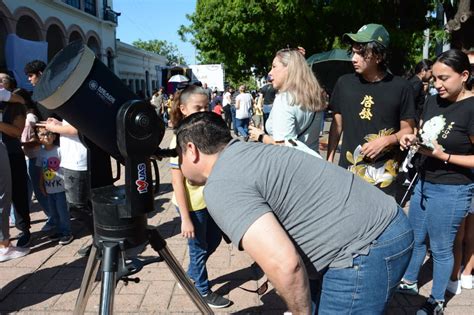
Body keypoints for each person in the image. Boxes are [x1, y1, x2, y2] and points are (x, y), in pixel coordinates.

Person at [175, 111, 413, 314]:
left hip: (366, 247)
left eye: (179, 156)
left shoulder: (220, 183)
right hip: (385, 220)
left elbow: (286, 265)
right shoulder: (247, 152)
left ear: (191, 150)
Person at [396, 49, 474, 315]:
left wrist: (445, 155)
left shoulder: (472, 108)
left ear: (464, 75)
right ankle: (408, 282)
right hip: (423, 180)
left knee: (441, 248)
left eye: (444, 78)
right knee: (415, 238)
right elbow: (425, 131)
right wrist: (412, 139)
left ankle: (437, 300)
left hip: (452, 188)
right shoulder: (432, 101)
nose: (437, 84)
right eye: (434, 78)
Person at [327, 24, 416, 202]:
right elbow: (336, 127)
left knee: (380, 225)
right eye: (353, 52)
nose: (354, 58)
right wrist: (329, 161)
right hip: (348, 172)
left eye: (361, 53)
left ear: (378, 55)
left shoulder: (401, 87)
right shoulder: (344, 84)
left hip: (384, 177)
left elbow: (408, 131)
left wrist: (386, 141)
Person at [168, 85, 231, 308]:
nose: (204, 111)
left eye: (206, 107)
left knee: (212, 241)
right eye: (198, 108)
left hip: (209, 203)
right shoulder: (178, 141)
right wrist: (185, 218)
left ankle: (190, 275)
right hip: (192, 207)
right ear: (183, 109)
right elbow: (177, 182)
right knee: (198, 248)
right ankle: (202, 291)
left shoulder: (208, 135)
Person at [248, 48, 325, 155]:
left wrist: (261, 136)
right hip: (313, 163)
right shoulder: (315, 96)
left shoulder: (285, 99)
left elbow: (284, 148)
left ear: (289, 69)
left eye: (274, 67)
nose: (270, 73)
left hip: (292, 167)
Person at [42, 118, 92, 256]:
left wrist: (53, 128)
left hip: (77, 162)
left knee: (76, 206)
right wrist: (59, 124)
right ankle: (99, 238)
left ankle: (100, 238)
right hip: (73, 161)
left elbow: (75, 129)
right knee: (82, 205)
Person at [449, 48, 474, 293]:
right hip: (463, 178)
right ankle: (456, 273)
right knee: (459, 231)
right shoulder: (463, 103)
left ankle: (467, 271)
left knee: (471, 232)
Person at [0, 76, 31, 248]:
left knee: (18, 193)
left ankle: (24, 229)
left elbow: (17, 132)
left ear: (9, 86)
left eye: (2, 80)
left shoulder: (16, 105)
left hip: (12, 153)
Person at [23, 60, 53, 230]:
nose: (29, 79)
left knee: (46, 185)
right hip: (45, 148)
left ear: (40, 74)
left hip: (50, 148)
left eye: (31, 75)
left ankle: (55, 219)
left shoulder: (48, 94)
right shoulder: (39, 94)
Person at [36, 126, 73, 245]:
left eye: (48, 134)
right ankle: (59, 231)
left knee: (63, 211)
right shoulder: (41, 152)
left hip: (61, 187)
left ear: (54, 136)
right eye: (42, 134)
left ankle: (67, 232)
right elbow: (42, 169)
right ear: (38, 137)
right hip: (49, 187)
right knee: (53, 212)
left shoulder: (59, 150)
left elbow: (66, 168)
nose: (46, 137)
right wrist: (41, 184)